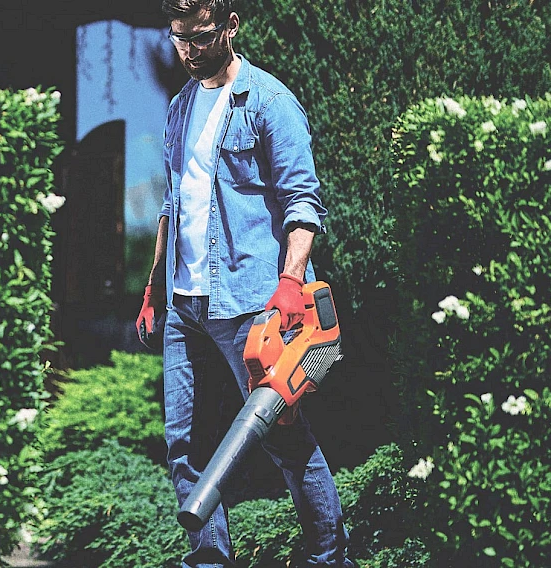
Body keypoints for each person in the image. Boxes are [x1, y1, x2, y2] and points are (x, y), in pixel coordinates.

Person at [134, 1, 354, 566]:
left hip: (249, 304)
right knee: (185, 443)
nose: (188, 50)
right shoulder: (181, 106)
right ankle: (210, 559)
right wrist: (154, 287)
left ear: (231, 26)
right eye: (179, 38)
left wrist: (290, 280)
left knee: (281, 437)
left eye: (201, 37)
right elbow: (173, 202)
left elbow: (303, 202)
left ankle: (330, 557)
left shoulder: (270, 102)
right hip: (186, 303)